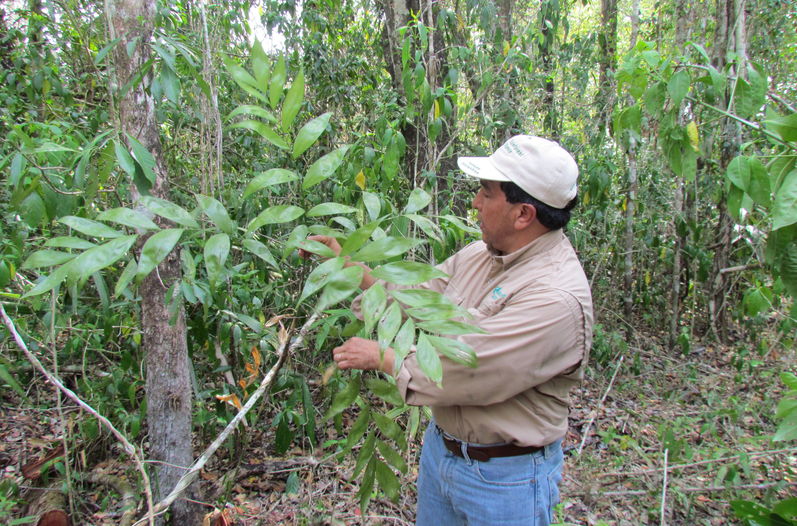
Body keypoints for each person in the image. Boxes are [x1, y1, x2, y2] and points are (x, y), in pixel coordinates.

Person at [301, 135, 593, 526]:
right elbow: (415, 302)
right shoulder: (480, 255)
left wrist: (385, 358)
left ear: (523, 214)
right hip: (443, 454)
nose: (475, 202)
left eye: (485, 194)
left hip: (507, 481)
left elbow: (472, 369)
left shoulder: (555, 299)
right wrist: (348, 266)